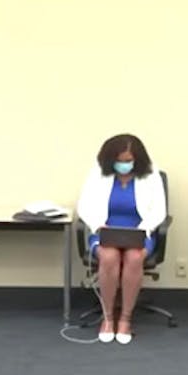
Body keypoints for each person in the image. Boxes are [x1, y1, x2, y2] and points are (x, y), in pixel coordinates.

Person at [76, 133, 167, 345]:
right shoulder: (97, 174)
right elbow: (85, 206)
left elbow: (159, 211)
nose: (124, 165)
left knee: (134, 258)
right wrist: (98, 225)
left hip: (140, 232)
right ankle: (108, 318)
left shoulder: (150, 175)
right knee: (109, 257)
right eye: (119, 160)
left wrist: (144, 229)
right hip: (104, 230)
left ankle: (125, 319)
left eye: (128, 161)